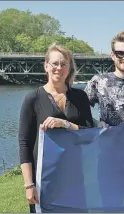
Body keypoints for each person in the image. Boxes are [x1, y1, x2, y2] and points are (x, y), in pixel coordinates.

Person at [18, 44, 94, 213]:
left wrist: (65, 124)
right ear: (46, 66)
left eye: (64, 64)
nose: (59, 68)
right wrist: (29, 185)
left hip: (75, 175)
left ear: (69, 68)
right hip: (44, 178)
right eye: (54, 63)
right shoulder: (32, 99)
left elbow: (90, 134)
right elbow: (24, 144)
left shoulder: (80, 97)